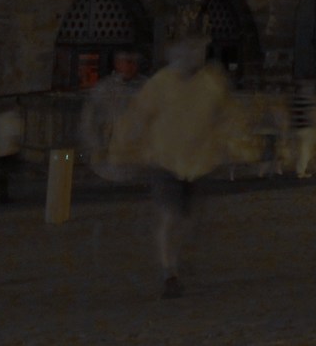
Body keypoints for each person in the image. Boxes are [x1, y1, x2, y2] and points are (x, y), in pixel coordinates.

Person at [116, 36, 235, 298]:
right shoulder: (161, 83)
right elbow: (138, 115)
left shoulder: (210, 83)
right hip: (165, 160)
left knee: (190, 220)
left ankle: (177, 259)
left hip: (200, 161)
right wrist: (123, 146)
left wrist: (229, 144)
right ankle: (169, 270)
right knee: (170, 216)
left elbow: (225, 115)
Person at [77, 51, 146, 183]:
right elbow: (90, 118)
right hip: (110, 148)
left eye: (134, 63)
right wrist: (95, 144)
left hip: (138, 151)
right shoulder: (105, 88)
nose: (131, 67)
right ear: (118, 64)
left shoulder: (146, 86)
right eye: (128, 62)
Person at [0, 102, 25, 204]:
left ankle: (1, 192)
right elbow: (15, 137)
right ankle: (4, 194)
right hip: (8, 151)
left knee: (2, 173)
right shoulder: (14, 120)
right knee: (7, 173)